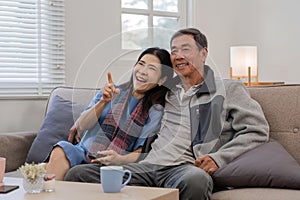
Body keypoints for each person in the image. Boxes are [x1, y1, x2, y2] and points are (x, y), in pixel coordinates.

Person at [64, 28, 269, 200]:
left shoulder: (228, 89)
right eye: (174, 51)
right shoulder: (165, 91)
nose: (178, 55)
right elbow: (135, 89)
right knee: (78, 174)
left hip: (183, 169)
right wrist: (92, 112)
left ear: (203, 53)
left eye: (185, 49)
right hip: (146, 166)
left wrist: (219, 158)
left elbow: (257, 130)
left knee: (196, 180)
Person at [43, 47, 174, 180]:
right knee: (61, 150)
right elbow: (81, 126)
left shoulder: (155, 111)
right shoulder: (111, 91)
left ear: (161, 80)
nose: (143, 71)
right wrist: (103, 102)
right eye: (141, 64)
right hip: (81, 152)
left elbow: (141, 151)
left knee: (73, 172)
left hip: (110, 163)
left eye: (152, 68)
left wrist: (120, 159)